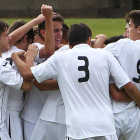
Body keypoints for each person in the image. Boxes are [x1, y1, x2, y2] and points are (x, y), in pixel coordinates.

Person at [12, 23, 140, 140]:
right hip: (105, 126)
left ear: (69, 45)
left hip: (78, 128)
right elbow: (129, 87)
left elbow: (28, 74)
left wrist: (21, 57)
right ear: (89, 40)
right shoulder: (105, 55)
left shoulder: (61, 57)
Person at [20, 5, 64, 140]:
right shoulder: (35, 48)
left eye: (61, 30)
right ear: (44, 33)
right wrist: (67, 81)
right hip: (33, 117)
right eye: (55, 30)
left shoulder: (66, 51)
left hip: (56, 119)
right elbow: (40, 84)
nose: (60, 34)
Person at [0, 19, 39, 140]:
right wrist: (29, 60)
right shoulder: (1, 66)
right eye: (6, 35)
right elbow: (27, 86)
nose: (9, 38)